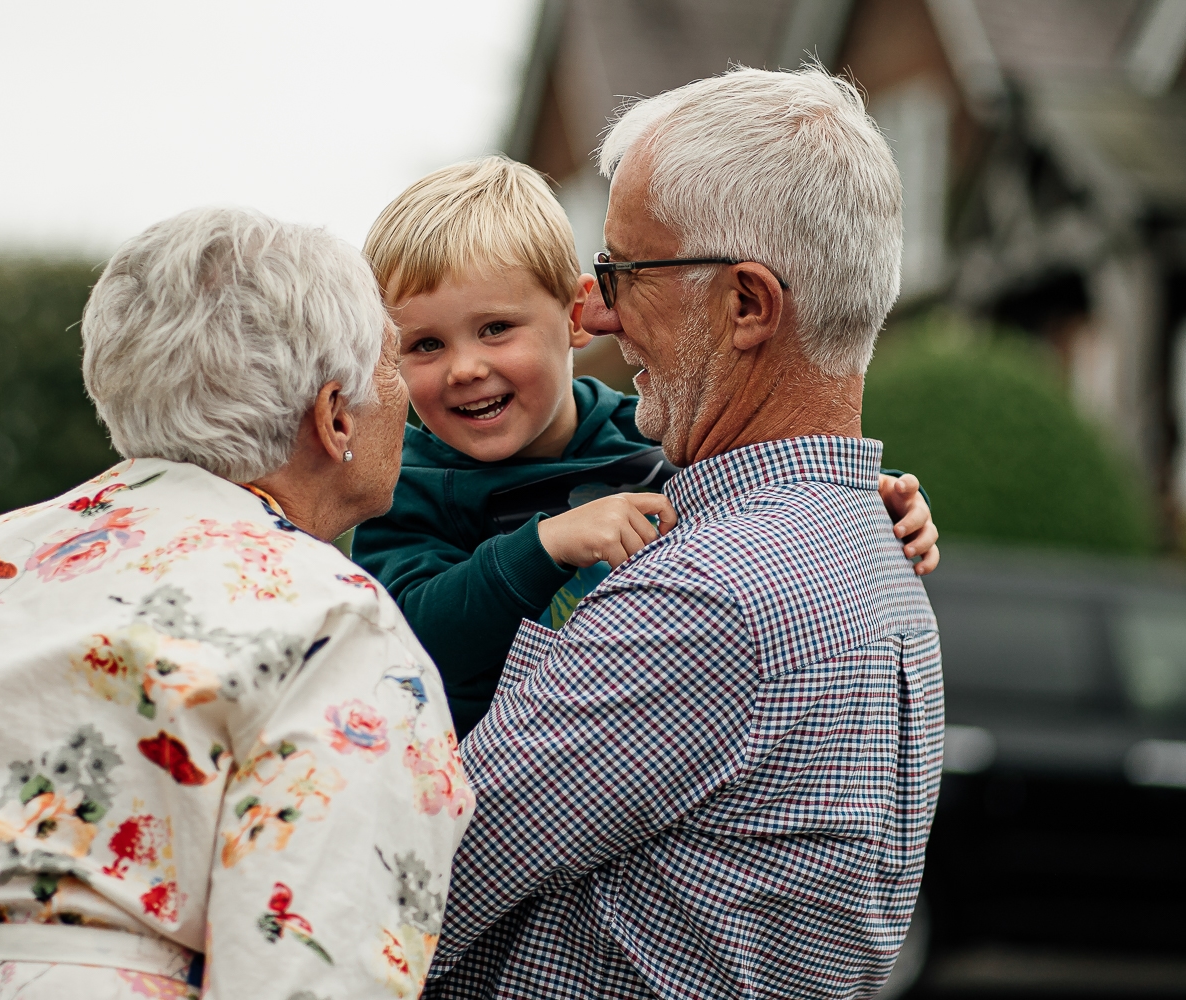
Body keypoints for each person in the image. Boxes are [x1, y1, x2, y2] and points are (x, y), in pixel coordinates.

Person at [0, 207, 472, 1000]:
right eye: (396, 364)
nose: (409, 396)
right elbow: (311, 965)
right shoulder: (336, 621)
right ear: (335, 414)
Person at [423, 67, 944, 999]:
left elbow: (411, 882)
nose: (601, 315)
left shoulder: (709, 597)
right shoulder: (876, 554)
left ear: (748, 304)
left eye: (624, 272)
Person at [353, 155, 940, 738]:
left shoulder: (654, 434)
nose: (464, 369)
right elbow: (403, 645)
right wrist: (543, 546)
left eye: (496, 329)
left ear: (577, 317)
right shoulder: (406, 483)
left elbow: (763, 487)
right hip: (487, 778)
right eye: (425, 345)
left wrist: (879, 495)